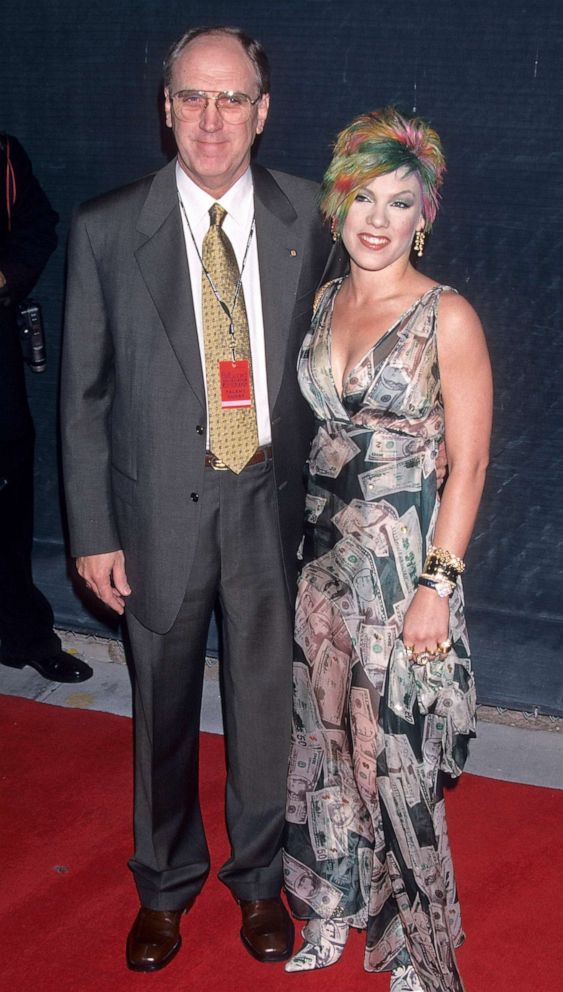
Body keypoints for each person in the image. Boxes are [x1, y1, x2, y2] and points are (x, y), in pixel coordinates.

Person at [60, 25, 342, 973]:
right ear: (165, 108)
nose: (211, 119)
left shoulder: (313, 218)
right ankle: (164, 886)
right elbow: (83, 395)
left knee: (266, 706)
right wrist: (93, 531)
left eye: (231, 99)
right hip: (153, 519)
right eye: (192, 97)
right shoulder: (106, 228)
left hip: (267, 504)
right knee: (162, 712)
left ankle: (259, 885)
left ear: (263, 112)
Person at [283, 107, 493, 992]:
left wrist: (436, 588)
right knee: (326, 744)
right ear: (338, 207)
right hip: (321, 564)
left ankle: (413, 943)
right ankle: (333, 904)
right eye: (361, 196)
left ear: (424, 215)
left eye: (398, 201)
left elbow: (471, 462)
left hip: (404, 567)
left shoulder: (447, 315)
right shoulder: (326, 297)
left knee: (395, 758)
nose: (376, 217)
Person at [0, 133, 92, 684]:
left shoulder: (3, 154)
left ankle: (23, 637)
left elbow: (38, 223)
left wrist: (6, 275)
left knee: (9, 510)